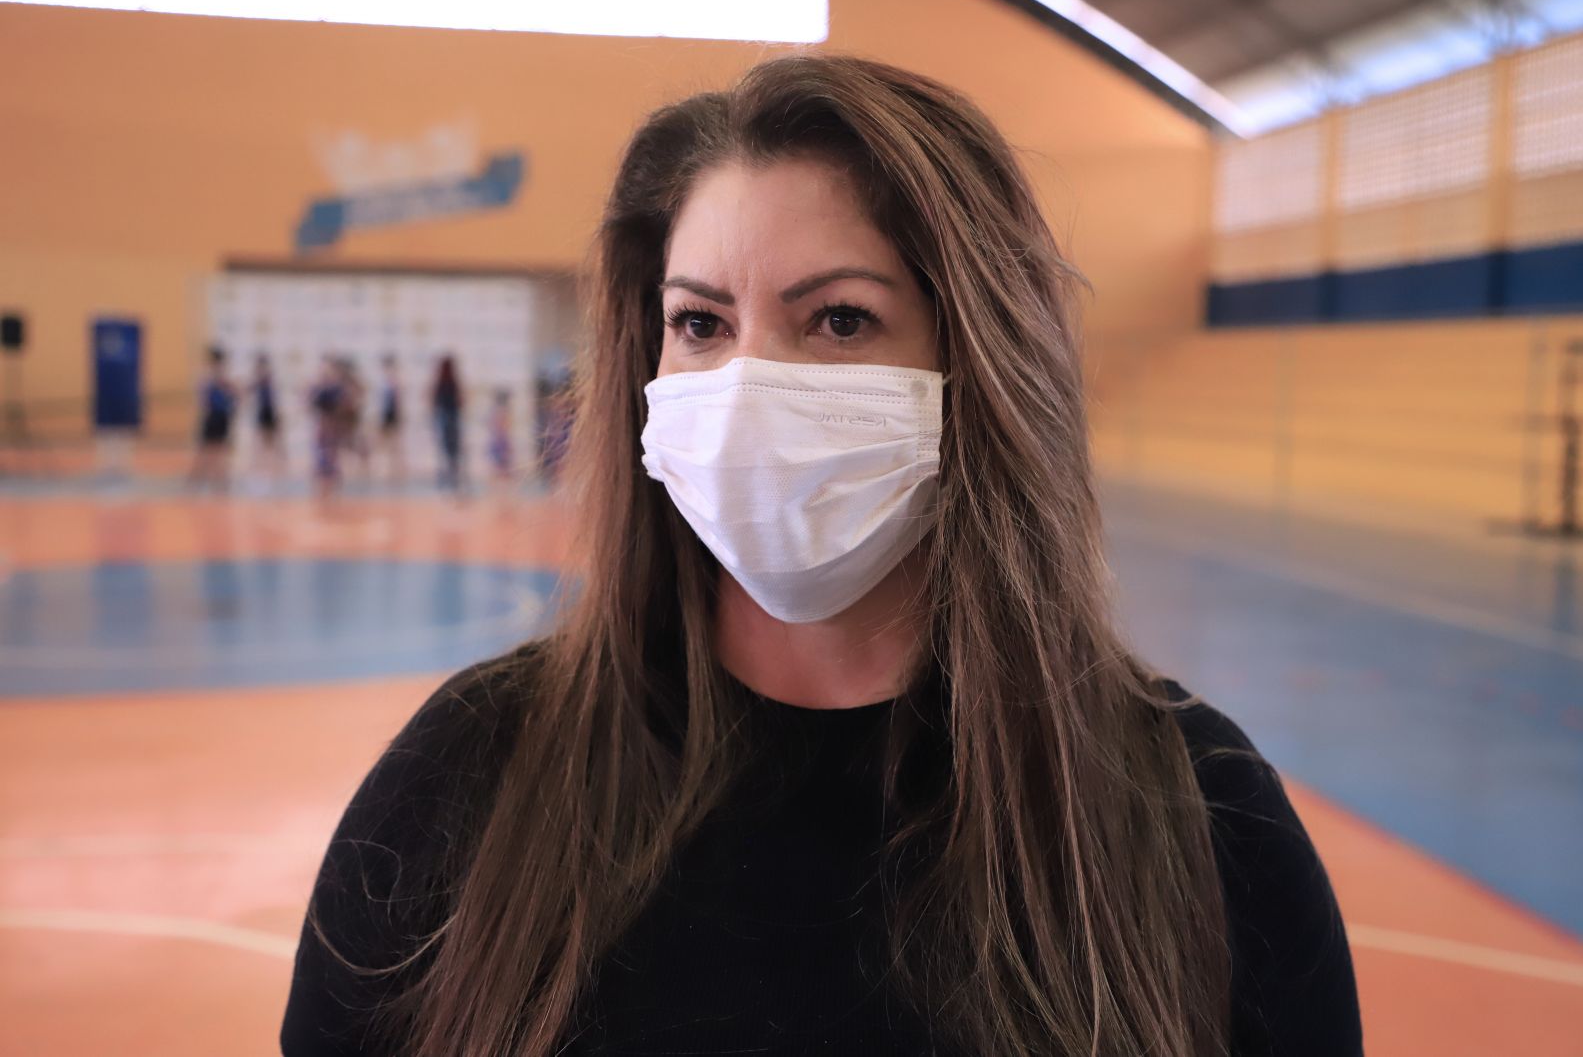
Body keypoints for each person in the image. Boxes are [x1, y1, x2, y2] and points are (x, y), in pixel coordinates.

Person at [282, 55, 1362, 1057]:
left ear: (977, 363)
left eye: (840, 320)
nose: (748, 386)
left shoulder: (1194, 816)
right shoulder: (468, 776)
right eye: (701, 323)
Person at [187, 346, 236, 492]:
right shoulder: (210, 376)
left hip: (220, 416)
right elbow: (204, 398)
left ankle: (218, 482)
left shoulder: (219, 377)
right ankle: (198, 481)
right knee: (207, 450)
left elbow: (231, 395)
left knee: (218, 450)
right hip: (215, 416)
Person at [308, 357, 345, 501]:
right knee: (320, 456)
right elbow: (311, 402)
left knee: (332, 456)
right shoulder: (318, 387)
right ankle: (321, 488)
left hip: (332, 425)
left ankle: (334, 487)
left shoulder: (337, 388)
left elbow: (341, 406)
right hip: (322, 424)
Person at [430, 354, 464, 495]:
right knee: (453, 452)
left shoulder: (440, 382)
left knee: (444, 452)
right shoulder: (453, 382)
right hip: (452, 418)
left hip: (443, 419)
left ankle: (444, 482)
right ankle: (453, 480)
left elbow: (434, 402)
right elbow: (460, 401)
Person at [250, 353, 285, 485]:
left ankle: (277, 473)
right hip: (262, 413)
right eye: (260, 367)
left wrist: (279, 415)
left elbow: (276, 399)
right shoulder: (258, 380)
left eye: (264, 366)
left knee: (275, 444)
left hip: (271, 412)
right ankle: (261, 472)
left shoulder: (270, 380)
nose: (262, 369)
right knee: (260, 443)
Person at [376, 354, 405, 487]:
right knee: (385, 443)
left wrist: (398, 415)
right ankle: (387, 467)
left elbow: (397, 402)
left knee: (395, 442)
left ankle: (396, 468)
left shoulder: (395, 382)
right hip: (385, 415)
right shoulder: (383, 383)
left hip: (392, 415)